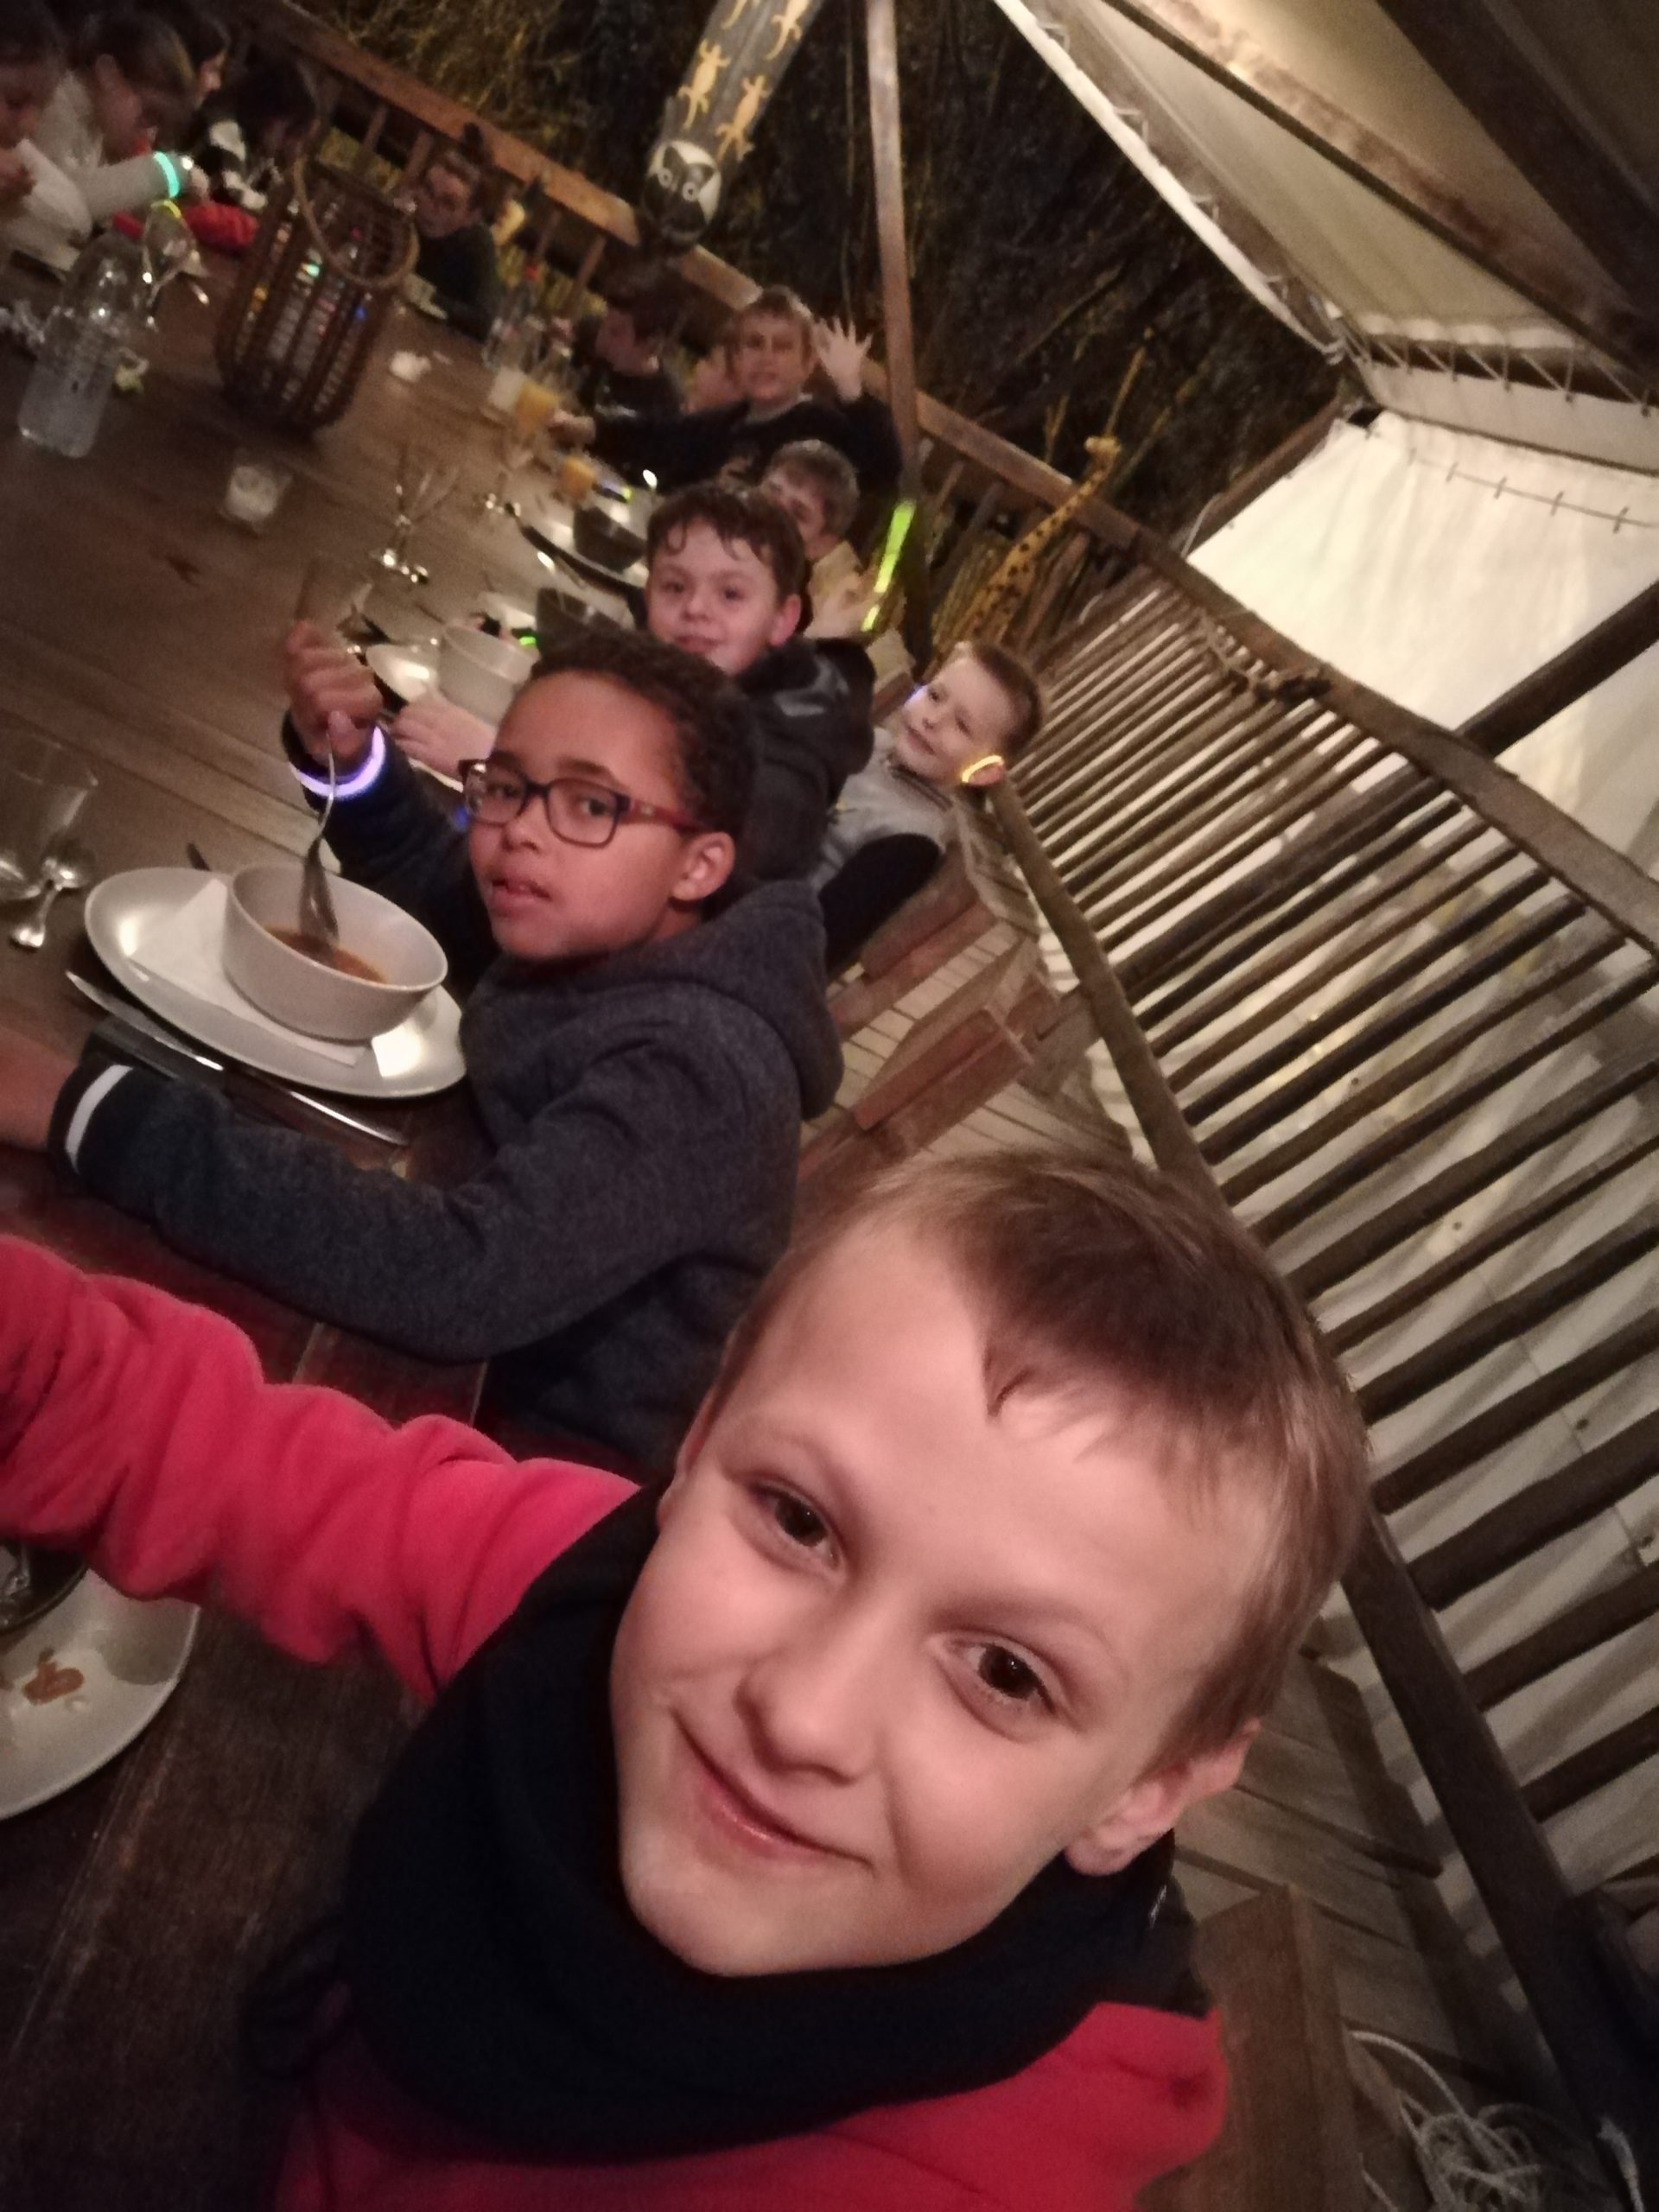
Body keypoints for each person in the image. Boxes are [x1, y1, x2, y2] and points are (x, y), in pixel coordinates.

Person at [0, 1147, 1370, 2208]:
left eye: (1008, 1675)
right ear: (699, 1449)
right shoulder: (586, 1590)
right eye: (798, 1520)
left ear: (1150, 1788)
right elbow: (216, 1446)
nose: (804, 1713)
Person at [0, 629, 841, 1469]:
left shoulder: (702, 1070)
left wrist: (90, 1110)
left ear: (699, 866)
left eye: (590, 805)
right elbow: (438, 885)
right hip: (434, 1320)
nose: (520, 831)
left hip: (506, 1461)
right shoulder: (606, 916)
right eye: (505, 787)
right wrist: (352, 764)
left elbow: (455, 1276)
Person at [395, 486, 874, 886]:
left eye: (730, 594)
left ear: (782, 619)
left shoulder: (791, 753)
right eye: (675, 587)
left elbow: (691, 856)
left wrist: (502, 770)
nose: (696, 609)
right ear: (648, 596)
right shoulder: (685, 672)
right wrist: (525, 643)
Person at [815, 642, 1045, 974]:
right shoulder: (872, 743)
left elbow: (822, 939)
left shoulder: (912, 841)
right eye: (935, 696)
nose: (933, 719)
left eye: (962, 726)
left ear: (983, 771)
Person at [553, 286, 902, 494]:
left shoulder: (817, 427)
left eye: (782, 347)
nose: (766, 358)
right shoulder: (730, 421)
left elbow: (885, 471)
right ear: (736, 358)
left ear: (807, 364)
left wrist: (852, 391)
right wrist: (592, 427)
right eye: (754, 344)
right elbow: (662, 434)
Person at [32, 9, 201, 226]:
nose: (150, 135)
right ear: (108, 75)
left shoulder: (96, 122)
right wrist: (170, 170)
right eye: (148, 114)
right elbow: (67, 203)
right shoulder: (57, 106)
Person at [0, 0, 88, 256]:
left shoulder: (13, 148)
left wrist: (19, 195)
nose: (30, 124)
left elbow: (78, 219)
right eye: (15, 102)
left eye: (42, 107)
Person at [186, 54, 315, 213]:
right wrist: (271, 205)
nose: (293, 145)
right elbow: (232, 192)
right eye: (293, 131)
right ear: (270, 111)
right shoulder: (225, 129)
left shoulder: (258, 149)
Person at [409, 124, 501, 341]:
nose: (431, 207)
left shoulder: (477, 243)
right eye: (428, 190)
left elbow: (483, 321)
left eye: (448, 203)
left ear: (472, 216)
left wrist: (419, 292)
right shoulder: (404, 214)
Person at [564, 266, 683, 422]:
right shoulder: (588, 334)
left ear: (650, 345)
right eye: (604, 322)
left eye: (615, 333)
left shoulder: (664, 405)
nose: (602, 339)